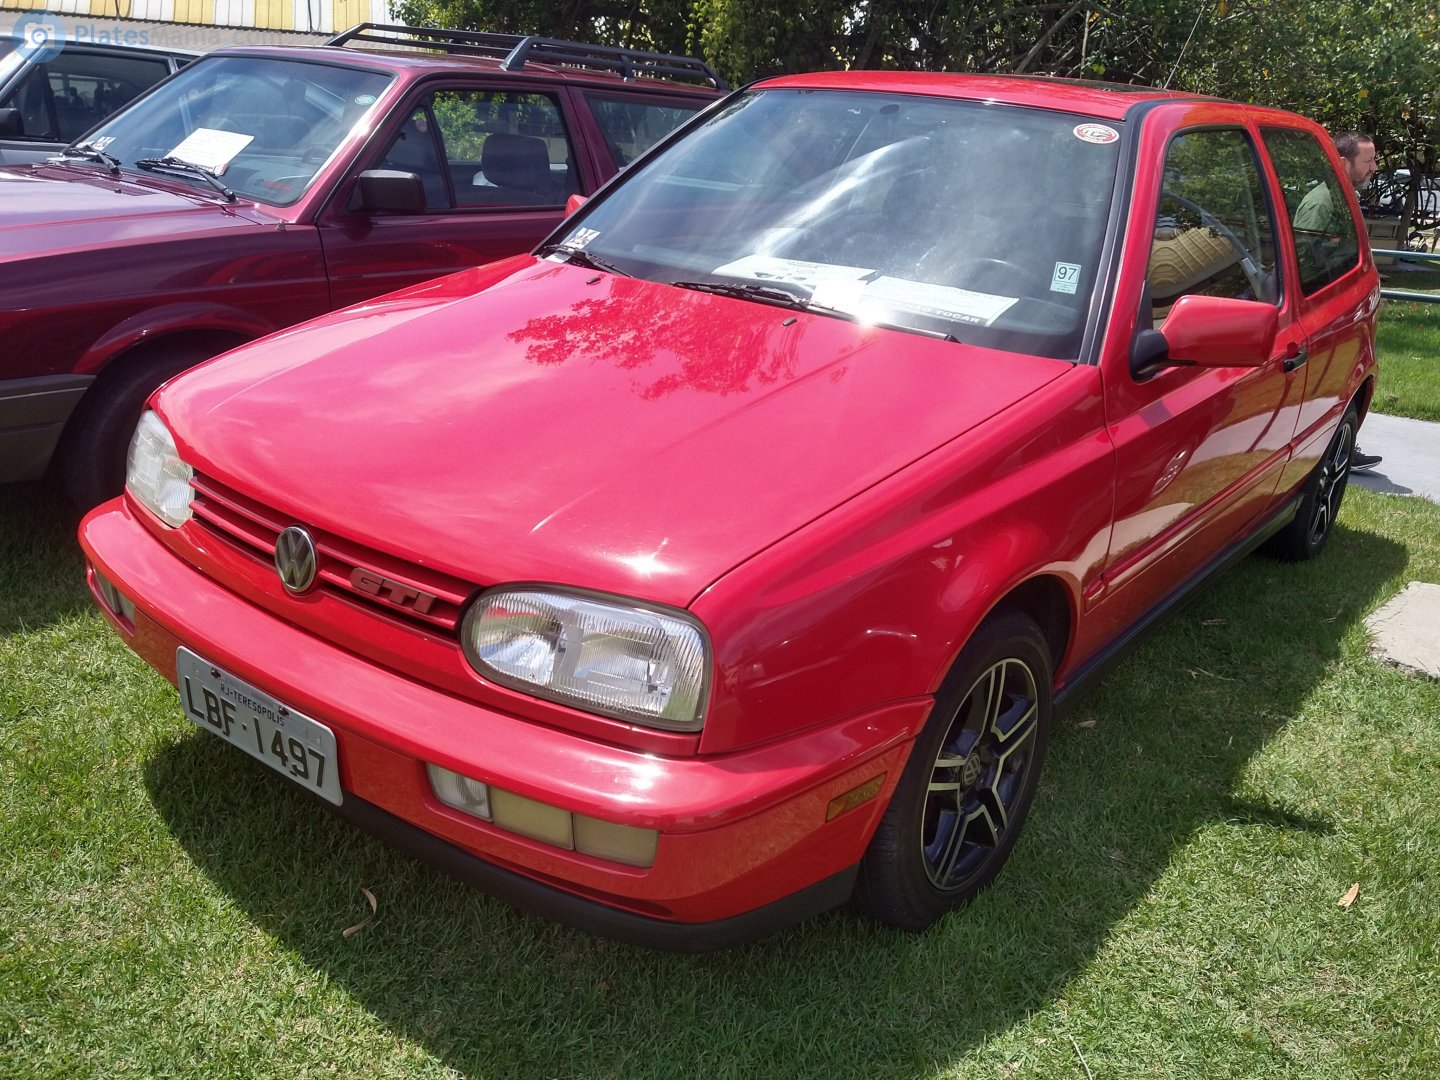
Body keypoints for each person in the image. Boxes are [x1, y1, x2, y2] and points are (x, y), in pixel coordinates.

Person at [1295, 131, 1382, 472]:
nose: (1374, 167)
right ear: (1343, 162)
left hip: (1343, 307)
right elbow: (1304, 256)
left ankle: (1342, 444)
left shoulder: (1341, 196)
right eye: (1368, 161)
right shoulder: (1321, 203)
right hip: (1321, 312)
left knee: (1345, 380)